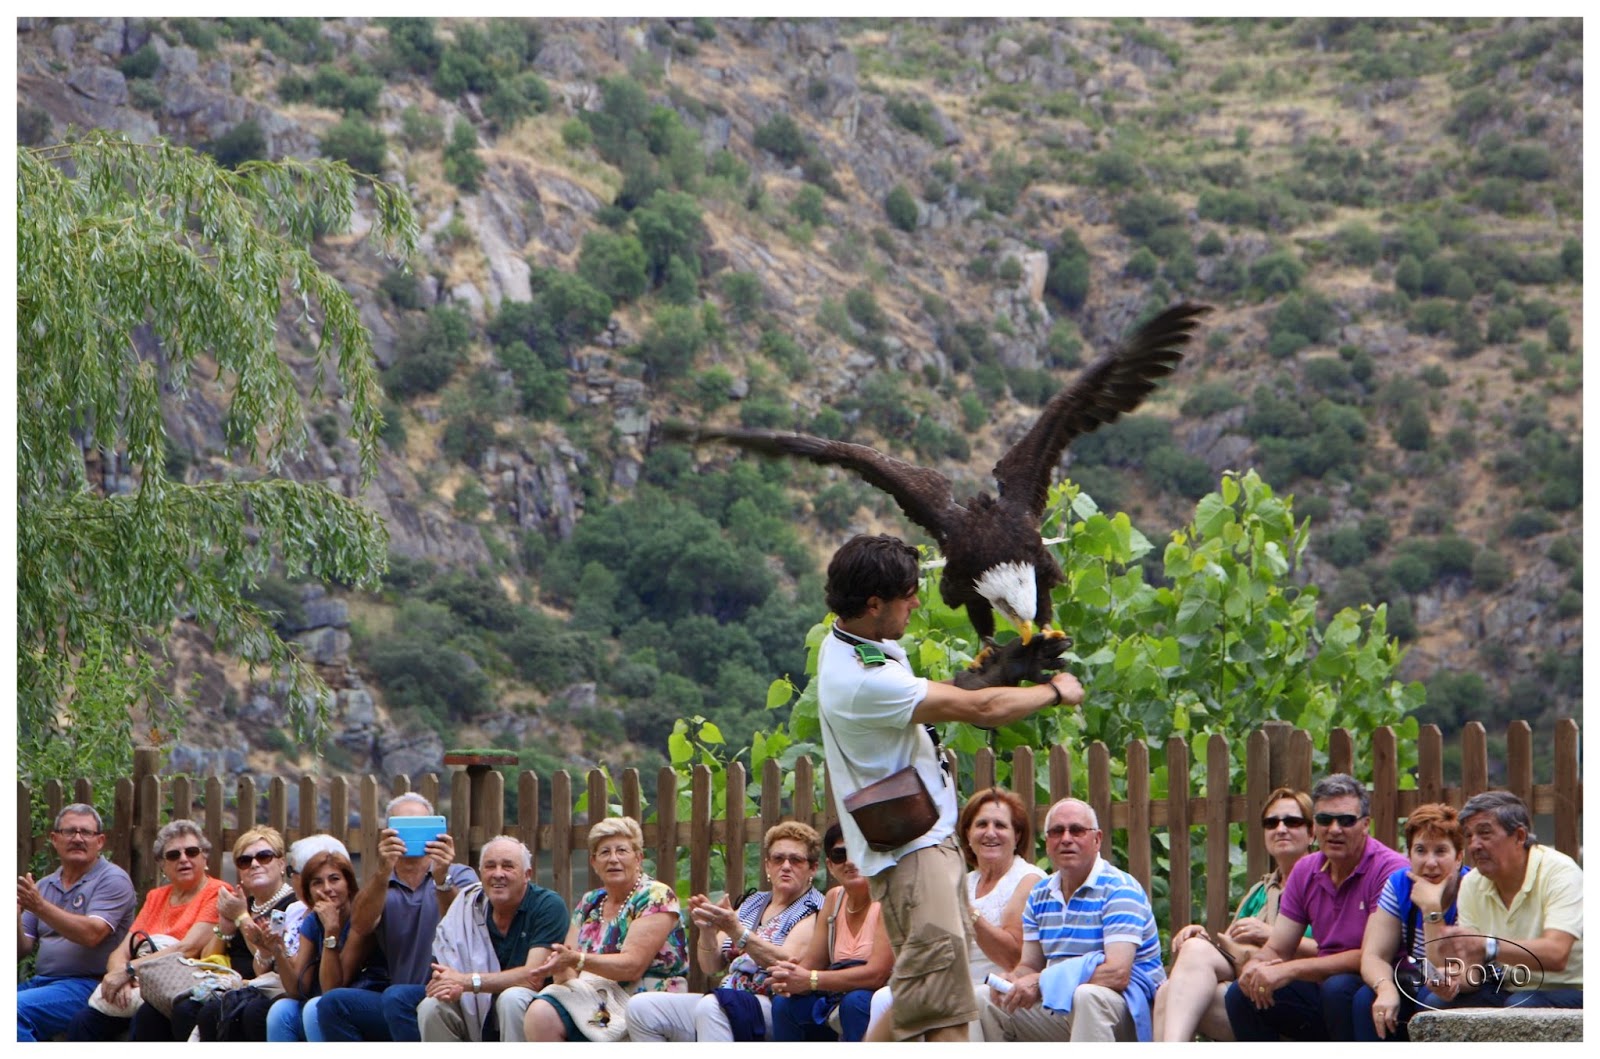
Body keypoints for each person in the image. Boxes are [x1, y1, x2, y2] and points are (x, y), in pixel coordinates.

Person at [816, 533, 1084, 1041]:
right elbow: (980, 710)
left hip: (917, 852)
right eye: (908, 594)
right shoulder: (864, 680)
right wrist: (1053, 691)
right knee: (947, 1020)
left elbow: (948, 698)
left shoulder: (851, 645)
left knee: (915, 1003)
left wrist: (998, 667)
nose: (918, 601)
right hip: (915, 854)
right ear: (873, 604)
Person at [1224, 773, 1409, 1041]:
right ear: (1315, 825)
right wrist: (1257, 966)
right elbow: (1278, 947)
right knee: (1243, 992)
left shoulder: (1389, 870)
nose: (1334, 829)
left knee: (1339, 988)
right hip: (1325, 988)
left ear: (1366, 824)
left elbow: (1369, 955)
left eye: (1346, 820)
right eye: (1324, 820)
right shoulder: (1305, 870)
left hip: (1385, 985)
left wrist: (1287, 970)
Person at [977, 798, 1165, 1042]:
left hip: (1133, 1009)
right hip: (1066, 1003)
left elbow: (1117, 974)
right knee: (983, 999)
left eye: (1076, 830)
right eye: (1057, 831)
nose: (1066, 838)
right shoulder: (1040, 894)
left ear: (1097, 840)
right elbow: (1030, 965)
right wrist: (1013, 979)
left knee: (1087, 996)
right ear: (1047, 843)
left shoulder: (1120, 889)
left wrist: (1041, 982)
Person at [865, 786, 1044, 1039]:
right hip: (947, 980)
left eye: (1000, 826)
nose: (990, 833)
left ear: (1017, 835)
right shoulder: (966, 881)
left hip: (994, 987)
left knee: (955, 1004)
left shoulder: (1028, 880)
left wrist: (967, 911)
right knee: (885, 997)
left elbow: (1013, 958)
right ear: (968, 835)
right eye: (981, 824)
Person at [628, 822, 823, 1041]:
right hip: (728, 999)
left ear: (812, 868)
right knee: (642, 1008)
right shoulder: (754, 902)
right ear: (768, 866)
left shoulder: (814, 908)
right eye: (778, 859)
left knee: (713, 1007)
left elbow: (788, 962)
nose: (786, 866)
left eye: (795, 860)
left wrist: (737, 931)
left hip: (773, 1005)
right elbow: (711, 965)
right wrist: (708, 930)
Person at [1153, 786, 1316, 1041]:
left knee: (1188, 972)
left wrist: (1268, 935)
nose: (1280, 829)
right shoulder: (1259, 891)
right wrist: (1203, 941)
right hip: (1249, 990)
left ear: (1311, 833)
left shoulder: (1321, 885)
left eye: (1292, 821)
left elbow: (1330, 951)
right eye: (1271, 823)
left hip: (1295, 1000)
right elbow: (1232, 953)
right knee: (1168, 989)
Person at [313, 792, 476, 1041]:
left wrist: (442, 878)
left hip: (452, 994)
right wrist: (383, 869)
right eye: (403, 827)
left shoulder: (460, 876)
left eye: (420, 826)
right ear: (388, 833)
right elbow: (361, 924)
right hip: (398, 998)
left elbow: (466, 924)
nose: (411, 835)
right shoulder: (380, 884)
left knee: (396, 996)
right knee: (332, 1004)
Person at [522, 816, 689, 1042]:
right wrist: (560, 966)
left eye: (622, 851)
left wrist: (577, 960)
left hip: (646, 1000)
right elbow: (570, 966)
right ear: (593, 862)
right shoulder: (590, 901)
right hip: (595, 997)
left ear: (638, 858)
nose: (613, 859)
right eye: (604, 853)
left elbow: (632, 966)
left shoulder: (656, 896)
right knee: (541, 1012)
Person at [63, 819, 227, 1041]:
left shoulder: (217, 892)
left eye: (191, 851)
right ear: (162, 864)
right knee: (83, 1021)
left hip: (181, 989)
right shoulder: (156, 897)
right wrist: (120, 977)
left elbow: (188, 948)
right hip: (140, 984)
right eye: (173, 855)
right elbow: (121, 951)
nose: (184, 859)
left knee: (146, 1018)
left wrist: (130, 971)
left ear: (204, 857)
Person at [1420, 790, 1582, 1009]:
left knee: (1520, 1006)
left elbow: (1556, 954)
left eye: (1484, 834)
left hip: (1574, 989)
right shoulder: (1473, 883)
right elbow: (1472, 972)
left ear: (1519, 836)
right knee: (1435, 1003)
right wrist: (1452, 979)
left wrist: (1488, 945)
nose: (1474, 845)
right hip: (1511, 987)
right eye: (1469, 836)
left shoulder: (1561, 873)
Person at [416, 836, 569, 1041]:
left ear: (527, 875)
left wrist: (465, 981)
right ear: (481, 873)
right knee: (431, 1006)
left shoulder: (548, 905)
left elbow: (533, 977)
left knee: (511, 998)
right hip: (475, 999)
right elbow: (449, 963)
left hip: (533, 1004)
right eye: (490, 866)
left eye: (508, 866)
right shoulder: (471, 905)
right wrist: (447, 984)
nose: (498, 874)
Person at [18, 804, 138, 1042]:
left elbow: (92, 934)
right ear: (54, 839)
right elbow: (21, 949)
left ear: (100, 841)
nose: (78, 838)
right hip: (43, 984)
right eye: (69, 832)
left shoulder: (112, 879)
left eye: (86, 832)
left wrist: (39, 906)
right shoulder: (44, 886)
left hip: (87, 985)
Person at [767, 823, 894, 1041]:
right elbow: (811, 964)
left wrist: (811, 979)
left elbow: (877, 974)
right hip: (837, 994)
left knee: (855, 1002)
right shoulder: (834, 899)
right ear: (830, 865)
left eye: (858, 851)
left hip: (882, 993)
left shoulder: (889, 896)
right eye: (840, 855)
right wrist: (788, 977)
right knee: (784, 1004)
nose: (850, 861)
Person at [1354, 802, 1469, 1040]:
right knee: (1365, 998)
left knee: (1432, 1000)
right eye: (1420, 850)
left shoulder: (1471, 889)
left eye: (1440, 851)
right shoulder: (1399, 884)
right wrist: (1385, 988)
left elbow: (1448, 969)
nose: (1430, 863)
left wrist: (1431, 908)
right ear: (1408, 855)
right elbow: (1373, 955)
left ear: (1458, 857)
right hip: (1413, 980)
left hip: (1460, 986)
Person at [175, 826, 300, 1041]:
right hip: (231, 985)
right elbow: (209, 959)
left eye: (264, 857)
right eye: (245, 860)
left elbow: (270, 962)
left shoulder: (292, 905)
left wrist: (242, 917)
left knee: (233, 1012)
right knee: (183, 1007)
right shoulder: (243, 903)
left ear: (281, 864)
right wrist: (225, 926)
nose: (254, 864)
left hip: (267, 988)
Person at [262, 847, 380, 1041]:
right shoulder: (312, 921)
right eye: (317, 882)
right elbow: (297, 988)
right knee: (281, 1010)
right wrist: (277, 949)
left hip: (364, 998)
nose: (326, 888)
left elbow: (332, 989)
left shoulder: (360, 918)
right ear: (308, 892)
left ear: (349, 884)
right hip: (325, 999)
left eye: (334, 879)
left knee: (313, 1009)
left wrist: (331, 931)